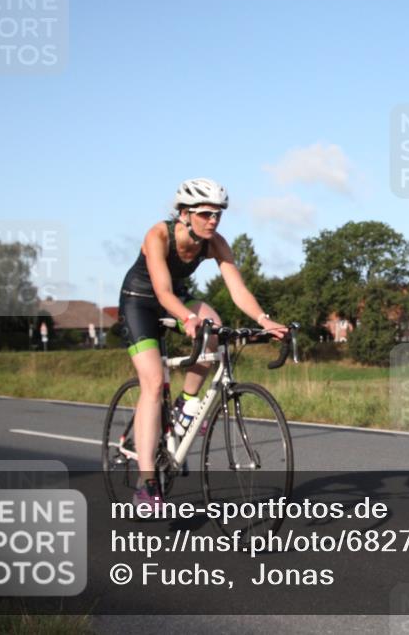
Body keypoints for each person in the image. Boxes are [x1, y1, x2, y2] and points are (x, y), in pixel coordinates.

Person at [117, 178, 287, 505]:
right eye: (206, 214)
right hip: (139, 301)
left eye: (218, 214)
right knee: (152, 383)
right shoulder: (159, 235)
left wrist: (265, 321)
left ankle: (186, 402)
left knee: (216, 327)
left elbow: (238, 290)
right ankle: (147, 482)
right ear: (184, 213)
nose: (213, 221)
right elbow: (162, 292)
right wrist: (187, 318)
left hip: (176, 298)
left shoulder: (215, 243)